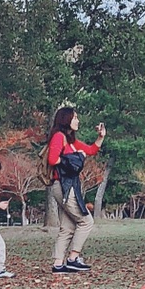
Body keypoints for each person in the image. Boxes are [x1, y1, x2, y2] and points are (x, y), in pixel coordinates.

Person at [46, 107, 105, 274]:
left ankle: (58, 264)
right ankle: (73, 258)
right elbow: (52, 159)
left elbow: (91, 150)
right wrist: (74, 158)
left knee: (68, 226)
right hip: (63, 186)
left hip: (69, 185)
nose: (77, 121)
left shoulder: (70, 140)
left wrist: (101, 137)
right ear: (66, 119)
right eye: (75, 117)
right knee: (86, 221)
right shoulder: (59, 137)